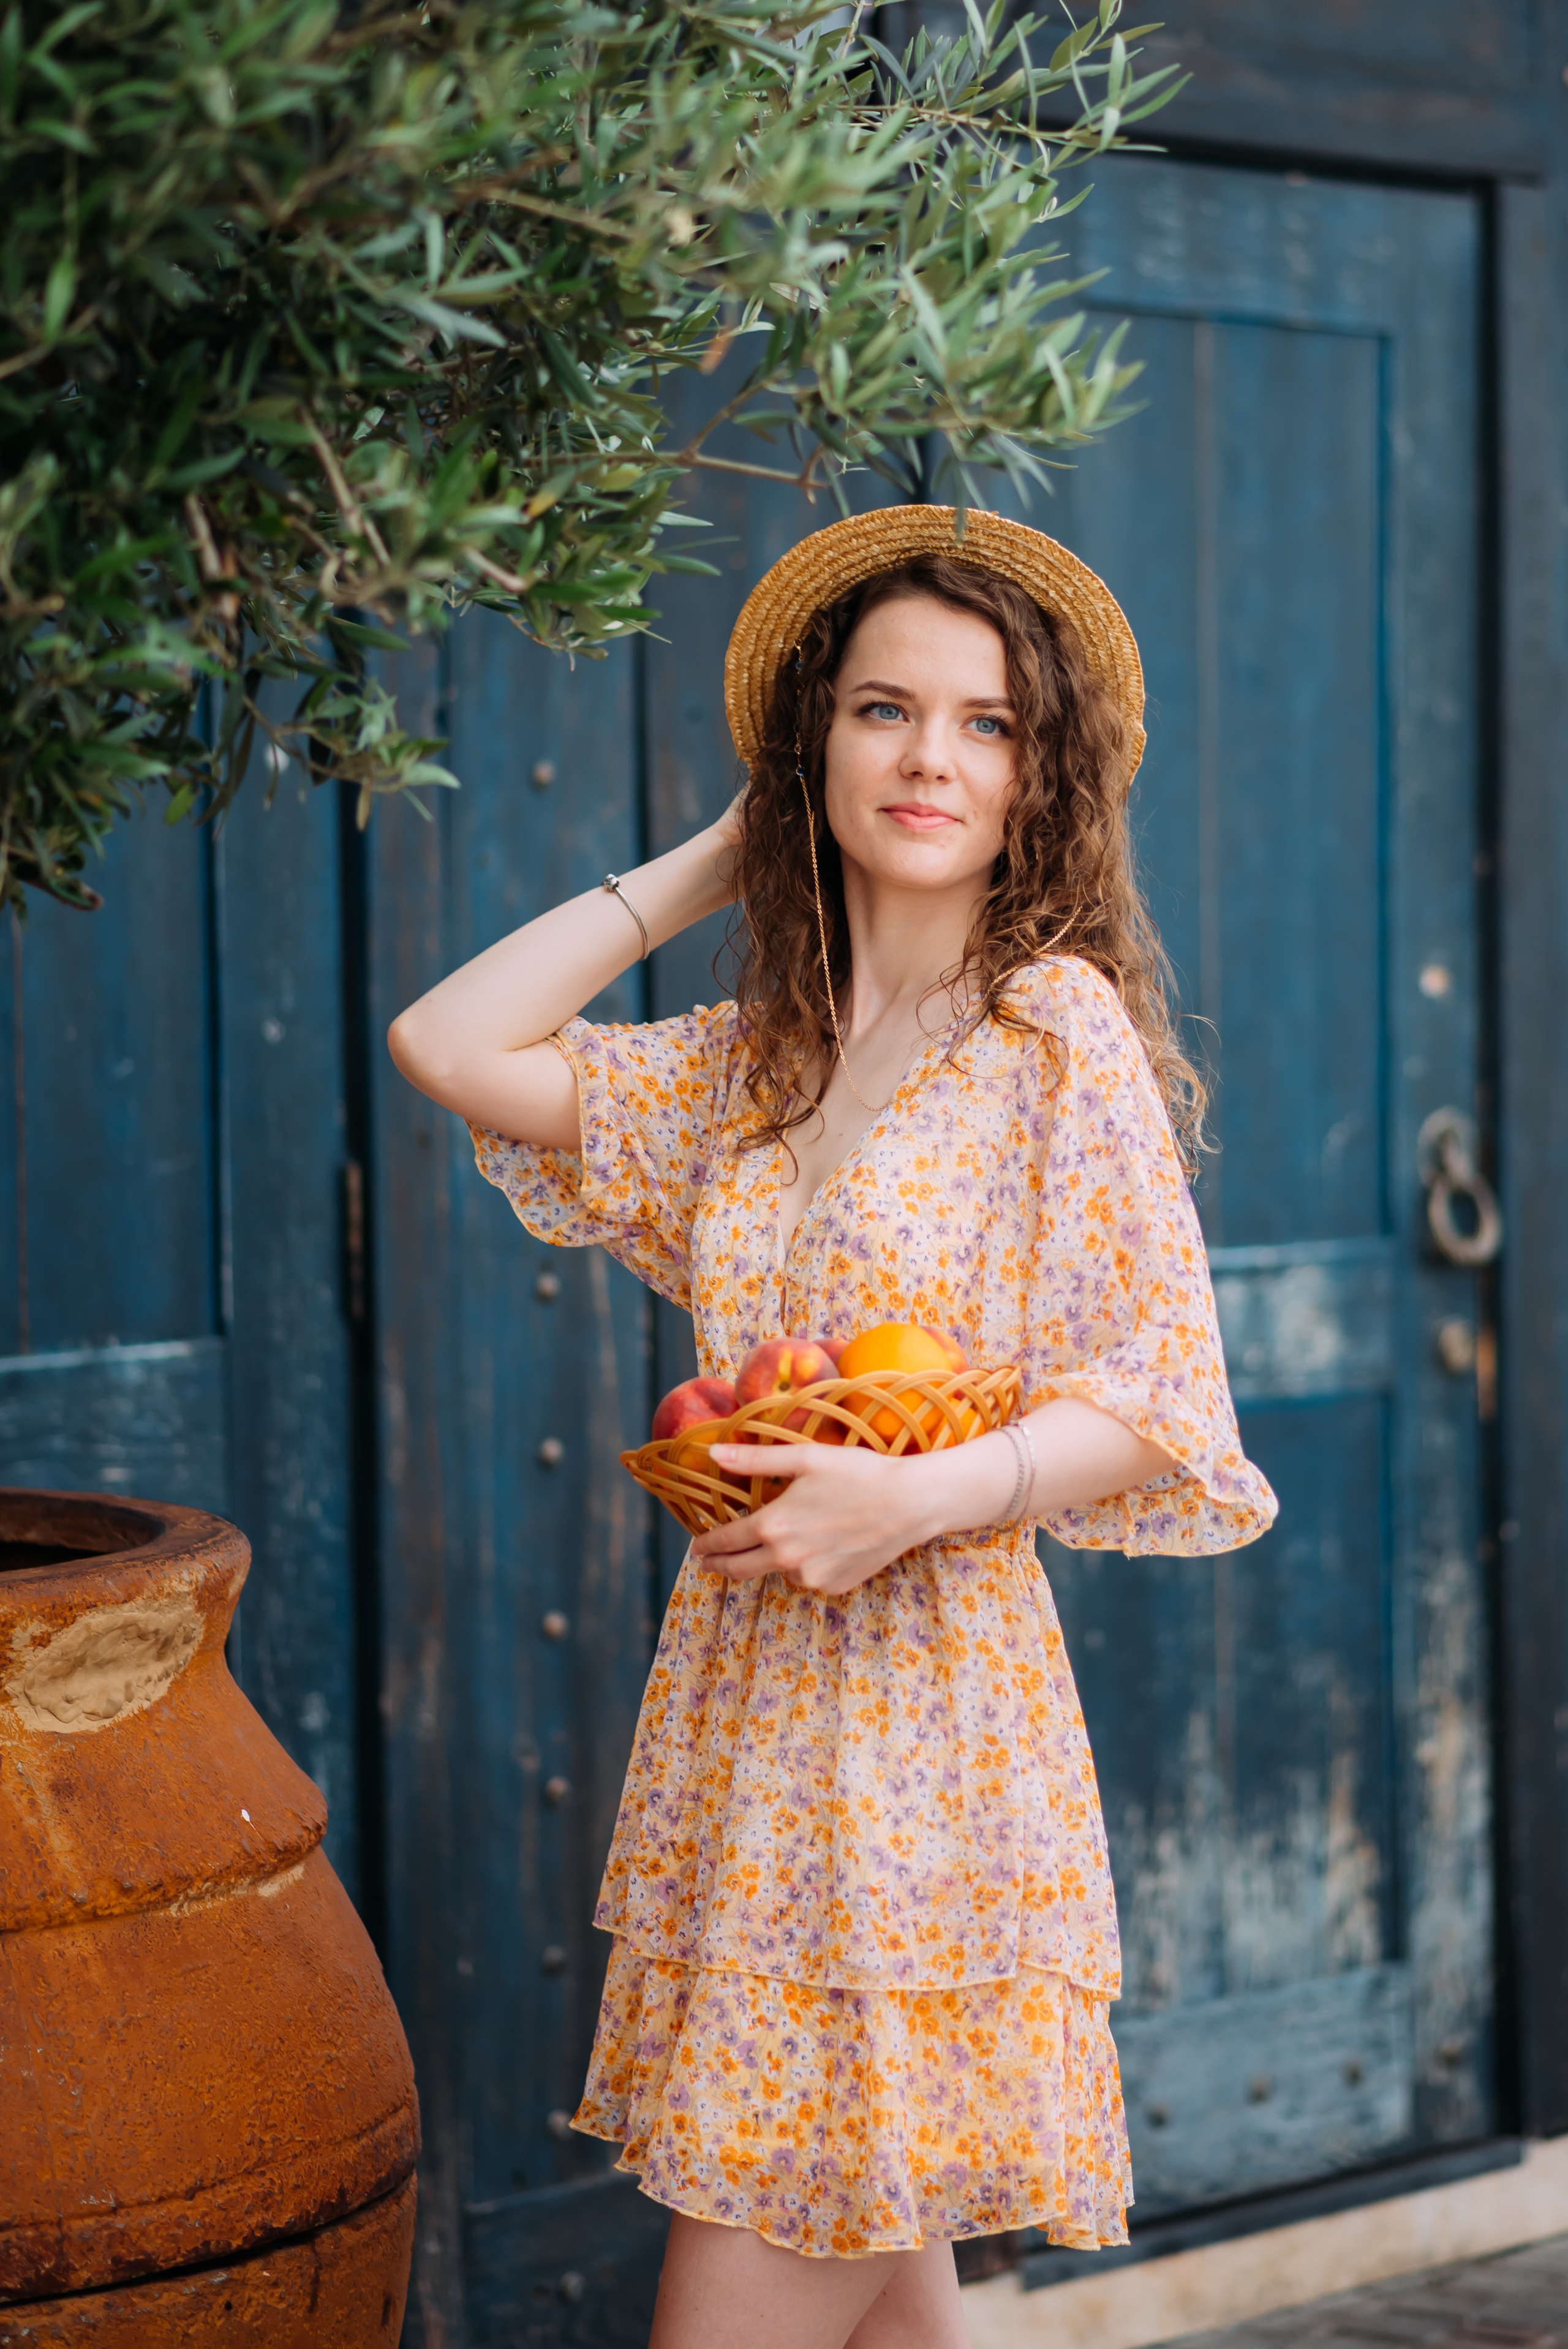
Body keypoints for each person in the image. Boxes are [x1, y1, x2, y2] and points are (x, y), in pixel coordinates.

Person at [388, 506, 1276, 2349]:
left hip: (928, 1747)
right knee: (892, 2310)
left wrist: (915, 1499)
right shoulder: (751, 1061)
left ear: (1040, 775)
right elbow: (448, 1042)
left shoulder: (1049, 1032)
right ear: (816, 742)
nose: (932, 758)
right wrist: (725, 850)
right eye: (884, 710)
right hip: (754, 1720)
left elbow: (1160, 1398)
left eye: (987, 723)